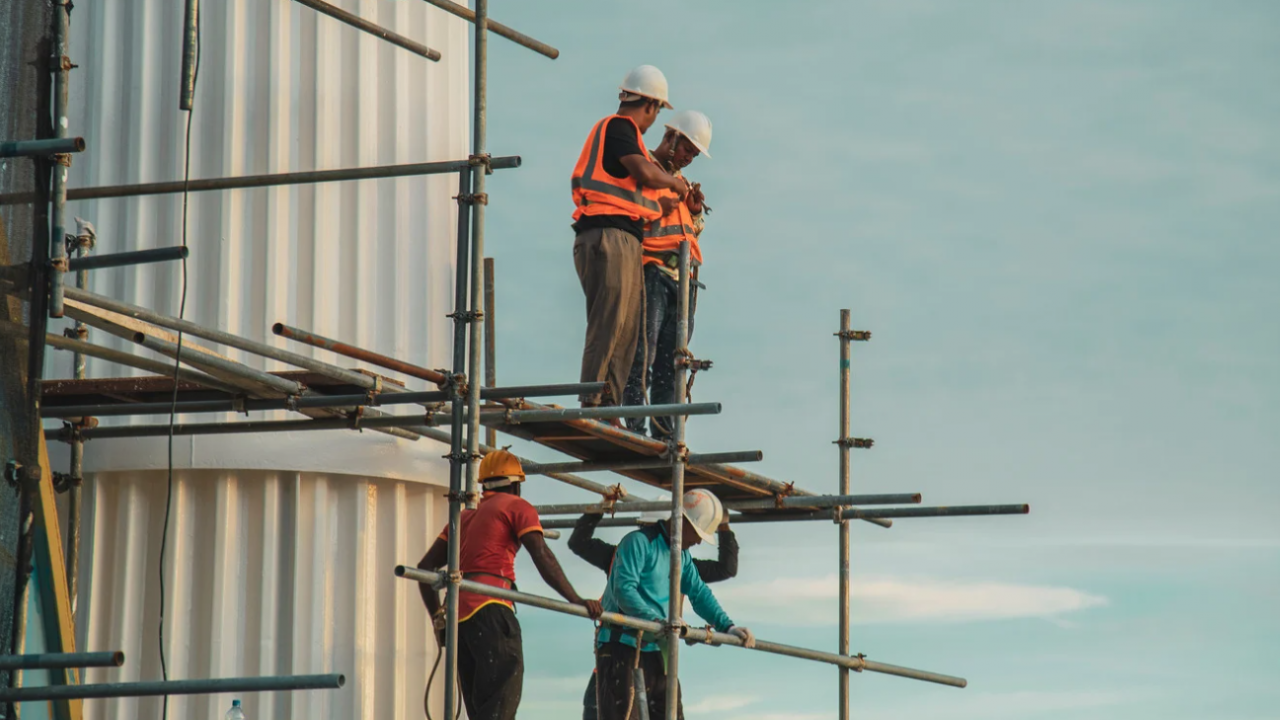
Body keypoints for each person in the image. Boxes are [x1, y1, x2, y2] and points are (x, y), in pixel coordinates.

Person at [416, 449, 603, 720]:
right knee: (501, 702)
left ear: (484, 484)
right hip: (491, 609)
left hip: (460, 620)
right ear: (516, 485)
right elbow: (542, 555)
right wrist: (576, 599)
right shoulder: (517, 506)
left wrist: (439, 619)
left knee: (482, 710)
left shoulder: (462, 518)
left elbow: (424, 568)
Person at [571, 65, 692, 414]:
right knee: (609, 323)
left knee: (626, 332)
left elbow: (631, 193)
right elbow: (643, 172)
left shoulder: (627, 139)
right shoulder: (619, 127)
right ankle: (593, 403)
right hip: (605, 236)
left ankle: (609, 406)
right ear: (651, 105)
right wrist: (674, 183)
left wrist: (662, 204)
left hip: (623, 237)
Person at [594, 489, 755, 720]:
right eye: (698, 533)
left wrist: (727, 626)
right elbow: (624, 591)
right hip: (622, 647)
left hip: (658, 650)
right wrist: (656, 621)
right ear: (682, 521)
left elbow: (699, 592)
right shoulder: (638, 543)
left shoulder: (682, 556)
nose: (698, 541)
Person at [621, 110, 713, 439]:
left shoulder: (682, 184)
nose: (689, 157)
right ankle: (633, 427)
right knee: (641, 353)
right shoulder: (643, 168)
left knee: (670, 366)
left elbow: (687, 230)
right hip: (652, 272)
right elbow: (632, 213)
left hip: (682, 280)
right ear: (671, 137)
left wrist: (695, 212)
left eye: (694, 154)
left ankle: (663, 434)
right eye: (687, 148)